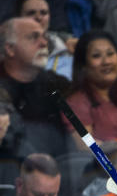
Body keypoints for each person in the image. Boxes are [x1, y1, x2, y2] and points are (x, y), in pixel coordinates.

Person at [0, 16, 71, 157]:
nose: (44, 43)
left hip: (61, 168)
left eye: (45, 37)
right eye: (34, 37)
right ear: (10, 49)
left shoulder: (52, 82)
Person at [16, 0, 74, 79]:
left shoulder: (67, 50)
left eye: (44, 13)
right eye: (31, 13)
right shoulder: (10, 52)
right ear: (18, 17)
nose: (38, 18)